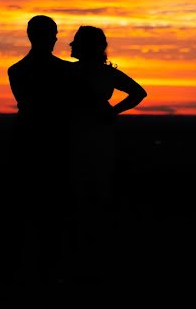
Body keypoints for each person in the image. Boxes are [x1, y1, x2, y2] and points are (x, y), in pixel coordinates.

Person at [3, 15, 90, 288]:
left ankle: (21, 270)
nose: (55, 39)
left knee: (24, 210)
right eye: (53, 34)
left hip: (26, 141)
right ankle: (47, 272)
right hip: (55, 144)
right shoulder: (67, 71)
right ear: (48, 36)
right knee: (53, 212)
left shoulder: (16, 70)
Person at [66, 25, 147, 279]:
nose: (71, 45)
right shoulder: (105, 74)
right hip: (96, 136)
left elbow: (139, 93)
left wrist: (111, 112)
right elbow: (138, 93)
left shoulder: (67, 73)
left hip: (78, 138)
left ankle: (84, 249)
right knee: (94, 191)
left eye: (76, 41)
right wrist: (112, 112)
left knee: (79, 192)